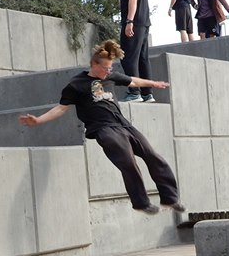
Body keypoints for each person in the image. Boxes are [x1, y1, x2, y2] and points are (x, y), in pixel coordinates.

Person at [19, 40, 186, 216]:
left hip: (124, 125)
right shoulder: (76, 84)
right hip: (103, 129)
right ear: (93, 64)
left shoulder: (110, 76)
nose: (108, 72)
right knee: (127, 161)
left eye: (110, 68)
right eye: (105, 68)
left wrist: (152, 83)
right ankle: (141, 203)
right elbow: (61, 108)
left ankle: (170, 197)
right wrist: (38, 120)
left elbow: (132, 82)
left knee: (152, 155)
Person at [117, 0, 153, 103]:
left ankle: (134, 92)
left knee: (128, 57)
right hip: (143, 22)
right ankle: (147, 94)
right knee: (142, 59)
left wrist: (129, 21)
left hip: (135, 22)